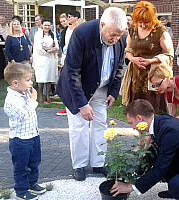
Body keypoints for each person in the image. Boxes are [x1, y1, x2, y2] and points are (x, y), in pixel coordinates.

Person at [56, 7, 127, 181]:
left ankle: (98, 163)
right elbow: (72, 71)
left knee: (100, 125)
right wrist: (82, 104)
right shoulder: (82, 33)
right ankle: (79, 165)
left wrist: (113, 92)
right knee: (79, 127)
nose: (116, 39)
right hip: (77, 88)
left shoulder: (122, 36)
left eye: (119, 36)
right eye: (112, 35)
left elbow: (119, 67)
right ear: (102, 25)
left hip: (102, 89)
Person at [121, 1, 174, 113]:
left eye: (146, 22)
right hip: (136, 77)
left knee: (153, 110)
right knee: (137, 110)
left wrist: (151, 61)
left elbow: (169, 54)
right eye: (140, 22)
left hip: (155, 78)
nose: (143, 25)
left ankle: (155, 130)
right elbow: (128, 50)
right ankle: (139, 130)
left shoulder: (160, 31)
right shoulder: (132, 30)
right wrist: (133, 59)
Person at [3, 63, 46, 200]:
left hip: (33, 135)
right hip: (20, 140)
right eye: (28, 80)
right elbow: (22, 115)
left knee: (34, 162)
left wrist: (30, 98)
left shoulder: (24, 93)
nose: (31, 83)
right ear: (15, 83)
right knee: (22, 167)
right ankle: (21, 191)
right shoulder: (11, 100)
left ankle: (32, 183)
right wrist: (33, 101)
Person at [56, 11, 83, 116]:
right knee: (67, 82)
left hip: (76, 59)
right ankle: (66, 105)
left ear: (76, 18)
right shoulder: (66, 30)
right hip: (66, 58)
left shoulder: (79, 29)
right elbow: (63, 45)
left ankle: (77, 104)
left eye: (70, 17)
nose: (68, 19)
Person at [32, 18, 58, 103]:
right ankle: (40, 95)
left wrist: (52, 49)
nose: (47, 27)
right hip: (41, 58)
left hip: (51, 59)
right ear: (42, 25)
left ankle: (47, 95)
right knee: (41, 78)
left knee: (49, 78)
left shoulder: (53, 34)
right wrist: (47, 51)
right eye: (45, 25)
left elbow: (56, 45)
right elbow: (38, 47)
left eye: (48, 25)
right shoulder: (38, 34)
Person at [0, 15, 9, 92]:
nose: (1, 20)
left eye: (3, 19)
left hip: (6, 46)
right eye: (0, 19)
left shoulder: (8, 27)